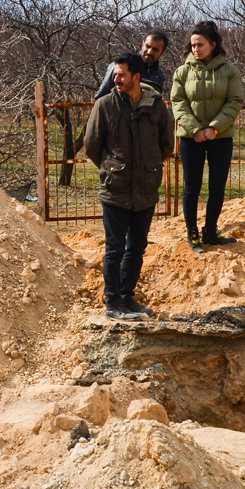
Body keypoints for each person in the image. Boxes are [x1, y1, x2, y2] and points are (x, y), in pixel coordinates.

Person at [80, 50, 176, 320]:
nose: (116, 78)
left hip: (145, 189)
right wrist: (113, 169)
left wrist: (147, 168)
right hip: (115, 189)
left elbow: (166, 145)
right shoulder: (105, 105)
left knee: (137, 247)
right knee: (115, 248)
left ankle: (128, 298)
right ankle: (113, 303)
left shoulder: (156, 105)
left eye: (121, 74)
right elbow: (92, 146)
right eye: (115, 74)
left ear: (136, 76)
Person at [168, 20, 245, 254]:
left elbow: (235, 101)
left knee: (217, 186)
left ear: (213, 44)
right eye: (192, 45)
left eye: (200, 44)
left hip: (220, 138)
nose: (196, 49)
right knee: (192, 187)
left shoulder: (230, 70)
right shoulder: (182, 72)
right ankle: (192, 233)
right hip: (191, 139)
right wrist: (195, 130)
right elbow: (178, 102)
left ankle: (210, 231)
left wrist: (213, 128)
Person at [95, 32, 171, 99]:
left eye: (155, 49)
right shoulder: (120, 67)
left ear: (163, 53)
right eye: (148, 46)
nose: (150, 51)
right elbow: (100, 99)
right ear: (142, 44)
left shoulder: (159, 75)